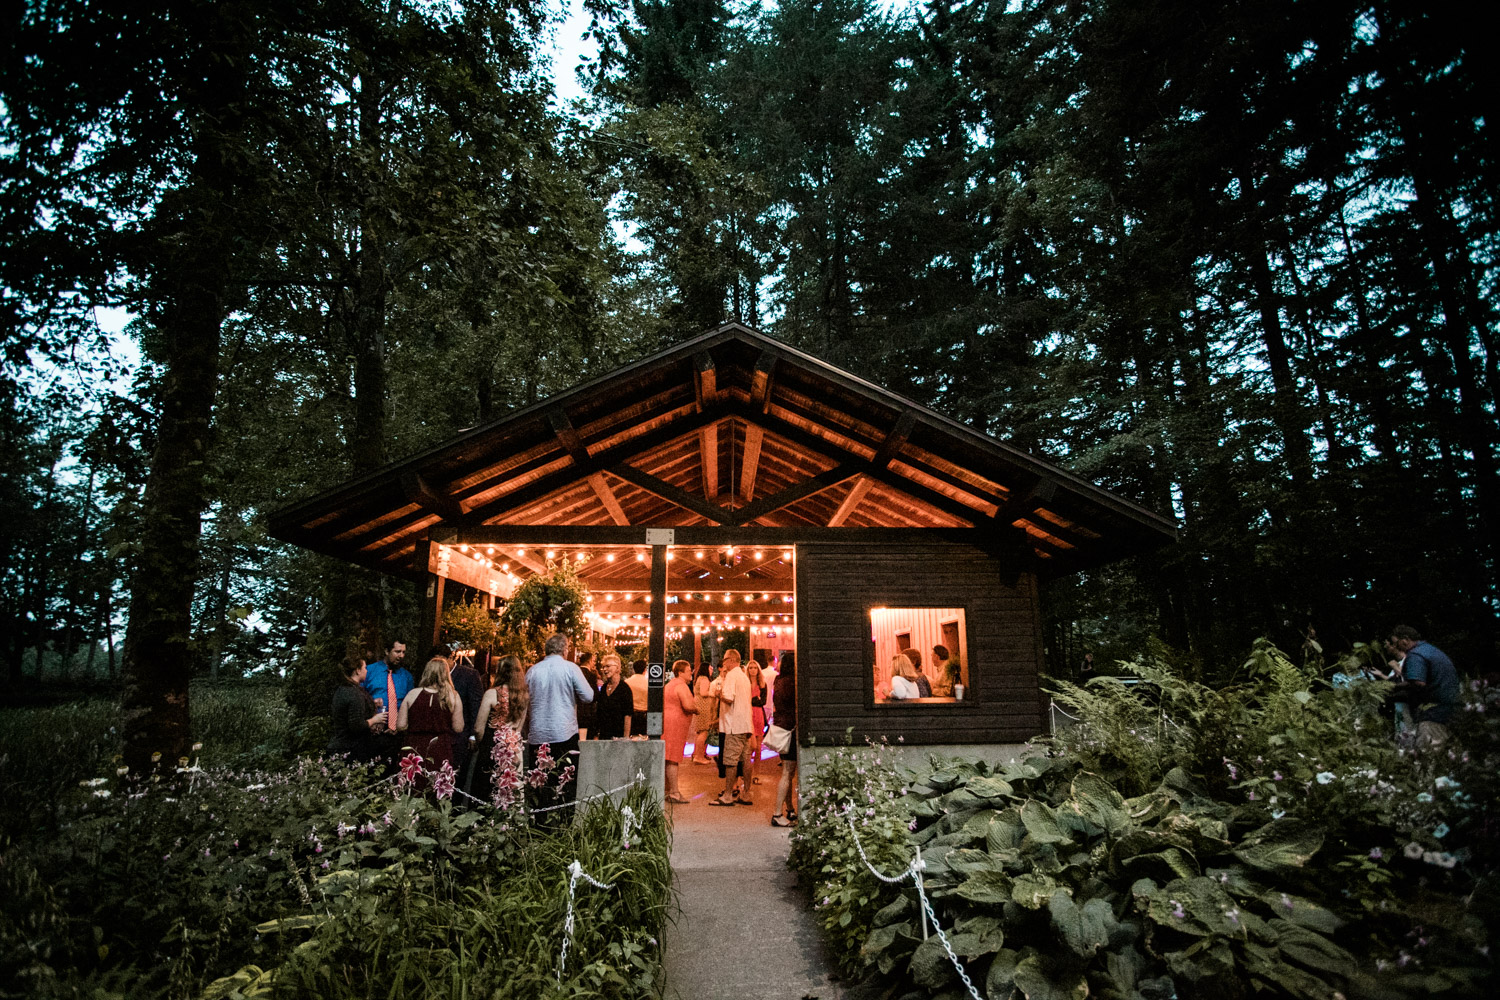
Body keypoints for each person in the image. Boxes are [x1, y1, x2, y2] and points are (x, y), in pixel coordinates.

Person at [525, 634, 594, 810]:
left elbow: (525, 700)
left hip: (538, 734)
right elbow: (588, 696)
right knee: (566, 780)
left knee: (539, 782)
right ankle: (564, 823)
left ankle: (541, 824)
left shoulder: (532, 670)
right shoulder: (571, 668)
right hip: (564, 733)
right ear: (565, 649)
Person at [1389, 625, 1459, 745]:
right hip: (1449, 707)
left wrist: (1392, 687)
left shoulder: (1415, 655)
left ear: (1405, 639)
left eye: (1396, 643)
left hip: (1433, 713)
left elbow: (1418, 683)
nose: (1395, 647)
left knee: (1426, 754)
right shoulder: (1429, 649)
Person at [398, 657, 464, 781]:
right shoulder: (453, 696)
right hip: (441, 747)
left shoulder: (412, 694)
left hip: (414, 747)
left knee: (413, 787)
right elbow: (458, 727)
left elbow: (401, 725)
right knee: (438, 787)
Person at [472, 655, 527, 800]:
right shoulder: (523, 696)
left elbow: (478, 728)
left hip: (492, 745)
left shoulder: (491, 694)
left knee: (486, 789)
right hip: (513, 747)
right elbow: (519, 727)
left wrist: (479, 742)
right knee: (511, 790)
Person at [712, 650, 754, 806]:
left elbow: (729, 698)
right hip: (745, 724)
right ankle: (747, 793)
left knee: (731, 760)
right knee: (746, 760)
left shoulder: (731, 676)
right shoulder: (744, 676)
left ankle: (728, 794)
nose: (723, 664)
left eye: (724, 660)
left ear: (730, 660)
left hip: (733, 725)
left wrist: (718, 694)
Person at [327, 654, 385, 763]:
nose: (367, 671)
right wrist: (375, 720)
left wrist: (372, 703)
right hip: (351, 749)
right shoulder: (354, 693)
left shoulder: (343, 689)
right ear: (358, 671)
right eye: (365, 668)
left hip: (340, 746)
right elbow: (356, 726)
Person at [662, 660, 698, 803]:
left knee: (668, 757)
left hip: (668, 723)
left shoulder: (669, 685)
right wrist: (697, 709)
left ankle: (666, 790)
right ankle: (674, 792)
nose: (691, 673)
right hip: (675, 725)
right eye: (689, 670)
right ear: (681, 672)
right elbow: (688, 705)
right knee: (673, 758)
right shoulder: (681, 686)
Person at [771, 652, 799, 827]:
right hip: (791, 728)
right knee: (787, 772)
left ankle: (789, 808)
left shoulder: (778, 682)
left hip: (781, 726)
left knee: (788, 772)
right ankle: (777, 813)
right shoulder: (792, 683)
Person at [363, 639, 411, 720]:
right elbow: (359, 697)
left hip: (398, 727)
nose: (401, 655)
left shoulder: (406, 676)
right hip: (373, 724)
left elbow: (410, 704)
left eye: (403, 652)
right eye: (398, 651)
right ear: (387, 651)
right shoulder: (369, 671)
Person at [592, 653, 634, 739]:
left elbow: (628, 715)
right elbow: (599, 712)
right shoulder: (604, 688)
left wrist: (625, 738)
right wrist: (596, 734)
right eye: (603, 667)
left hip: (618, 737)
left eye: (608, 666)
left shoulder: (624, 689)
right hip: (604, 736)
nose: (605, 669)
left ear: (617, 668)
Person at [745, 659, 768, 786]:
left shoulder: (762, 684)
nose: (753, 670)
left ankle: (756, 773)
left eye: (755, 668)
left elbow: (763, 701)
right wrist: (754, 699)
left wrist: (753, 700)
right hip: (748, 714)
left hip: (758, 715)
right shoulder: (745, 683)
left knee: (758, 747)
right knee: (749, 746)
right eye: (750, 668)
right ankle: (746, 772)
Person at [690, 662, 716, 763]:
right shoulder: (704, 679)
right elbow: (703, 692)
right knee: (704, 731)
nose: (711, 670)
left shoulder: (698, 679)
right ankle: (699, 756)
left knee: (699, 732)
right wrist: (714, 693)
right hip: (703, 707)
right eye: (710, 668)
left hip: (698, 705)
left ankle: (696, 753)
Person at [576, 651, 598, 740]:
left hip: (574, 711)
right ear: (589, 661)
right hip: (587, 712)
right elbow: (594, 695)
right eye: (593, 661)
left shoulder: (576, 672)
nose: (594, 663)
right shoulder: (591, 676)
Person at [625, 658, 650, 736]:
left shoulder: (627, 683)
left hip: (631, 716)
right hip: (644, 716)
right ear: (645, 670)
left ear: (634, 669)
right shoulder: (648, 684)